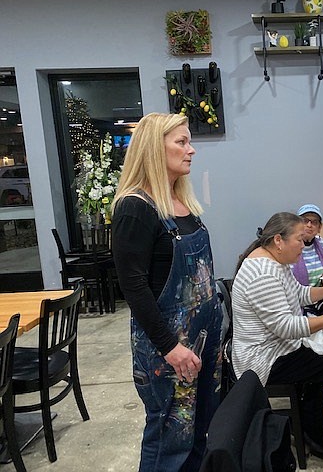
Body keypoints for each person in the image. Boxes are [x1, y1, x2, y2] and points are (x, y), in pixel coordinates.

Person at [111, 113, 223, 472]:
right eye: (181, 142)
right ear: (153, 149)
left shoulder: (181, 203)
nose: (191, 150)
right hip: (168, 352)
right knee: (169, 442)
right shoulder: (135, 208)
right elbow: (133, 287)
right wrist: (170, 348)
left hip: (203, 343)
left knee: (199, 433)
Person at [232, 212, 323, 458]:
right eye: (300, 240)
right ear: (279, 240)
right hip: (263, 359)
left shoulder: (275, 262)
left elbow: (299, 293)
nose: (304, 246)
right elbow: (286, 327)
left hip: (277, 345)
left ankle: (314, 417)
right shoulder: (263, 274)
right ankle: (309, 427)